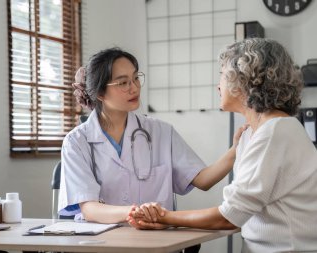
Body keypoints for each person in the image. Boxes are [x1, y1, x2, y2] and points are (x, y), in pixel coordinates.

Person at [127, 38, 317, 253]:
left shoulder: (274, 132)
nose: (218, 85)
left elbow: (230, 217)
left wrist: (164, 217)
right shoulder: (253, 134)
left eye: (223, 75)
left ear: (245, 80)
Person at [57, 47, 242, 228]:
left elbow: (203, 180)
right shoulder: (77, 142)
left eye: (136, 78)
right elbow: (89, 208)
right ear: (99, 93)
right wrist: (135, 212)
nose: (134, 87)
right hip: (105, 243)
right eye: (123, 83)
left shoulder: (161, 132)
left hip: (157, 240)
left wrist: (235, 151)